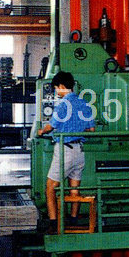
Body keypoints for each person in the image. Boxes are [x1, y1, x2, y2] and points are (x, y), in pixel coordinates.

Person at [38, 71, 95, 234]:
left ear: (62, 86)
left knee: (50, 186)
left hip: (65, 151)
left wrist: (42, 131)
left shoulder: (63, 105)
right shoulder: (85, 104)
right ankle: (73, 220)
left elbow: (52, 125)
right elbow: (91, 129)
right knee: (74, 188)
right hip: (79, 151)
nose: (56, 91)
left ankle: (53, 223)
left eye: (56, 88)